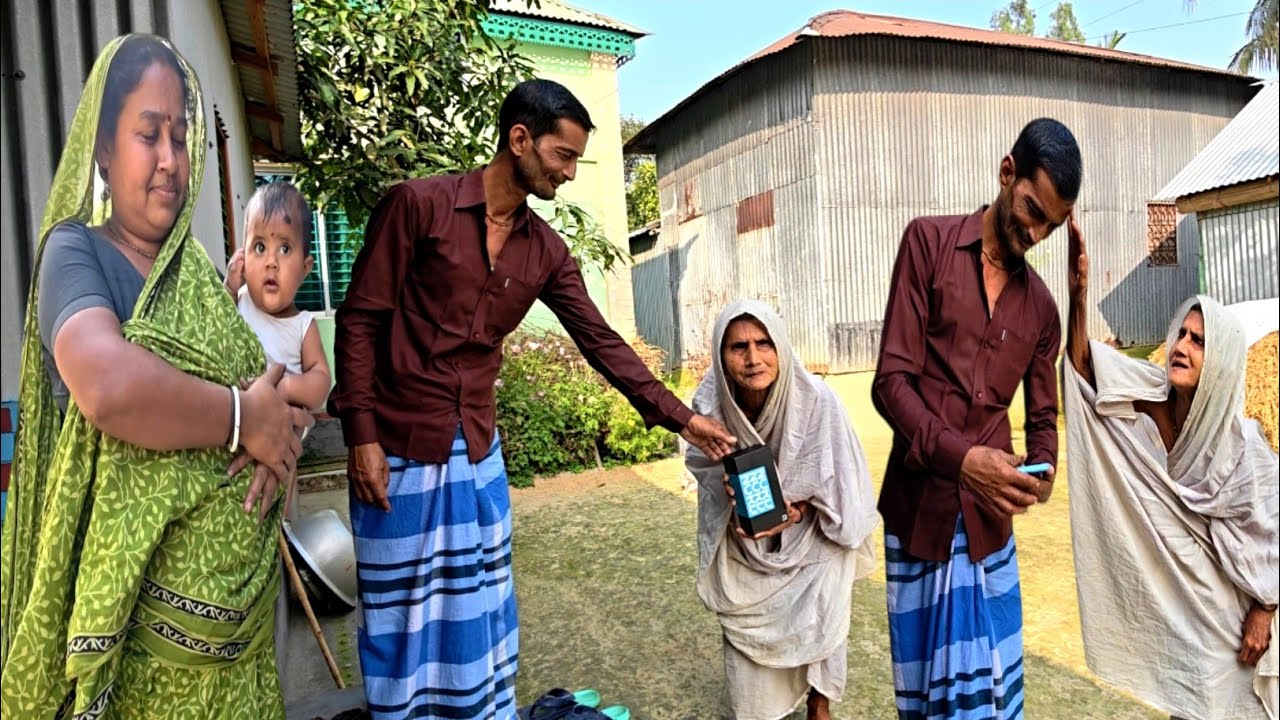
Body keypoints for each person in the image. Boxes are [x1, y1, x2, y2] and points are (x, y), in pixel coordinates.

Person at [327, 78, 737, 720]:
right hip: (400, 448)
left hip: (477, 454)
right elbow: (361, 319)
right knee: (401, 616)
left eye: (575, 160)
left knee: (482, 610)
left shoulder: (544, 250)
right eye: (562, 155)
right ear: (519, 139)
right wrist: (361, 435)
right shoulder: (417, 207)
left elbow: (601, 341)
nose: (569, 173)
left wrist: (683, 419)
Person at [0, 34, 310, 719]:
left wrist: (279, 436)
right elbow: (108, 384)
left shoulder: (194, 273)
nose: (170, 159)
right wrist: (242, 419)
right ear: (104, 150)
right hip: (142, 663)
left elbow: (264, 385)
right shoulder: (75, 252)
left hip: (243, 654)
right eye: (148, 135)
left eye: (180, 136)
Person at [872, 117, 1081, 719]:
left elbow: (1043, 417)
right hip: (919, 515)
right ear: (1007, 172)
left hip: (990, 534)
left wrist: (1041, 473)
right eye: (1033, 211)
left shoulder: (1041, 308)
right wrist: (964, 462)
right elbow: (891, 383)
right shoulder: (927, 245)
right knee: (925, 702)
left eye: (1052, 225)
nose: (1036, 234)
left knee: (995, 699)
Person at [1063, 219, 1278, 720]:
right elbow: (1084, 370)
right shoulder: (1150, 395)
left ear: (1220, 363)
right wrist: (1078, 295)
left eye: (1198, 341)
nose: (1180, 346)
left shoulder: (1246, 450)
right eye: (1181, 333)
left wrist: (1266, 610)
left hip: (1231, 624)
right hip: (1182, 619)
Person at [685, 301, 879, 720]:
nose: (753, 358)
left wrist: (797, 507)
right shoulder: (710, 401)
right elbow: (700, 461)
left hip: (813, 536)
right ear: (720, 354)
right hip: (744, 540)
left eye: (764, 344)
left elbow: (840, 477)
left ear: (781, 347)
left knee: (821, 613)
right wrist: (726, 484)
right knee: (747, 661)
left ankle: (819, 704)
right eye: (738, 347)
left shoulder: (818, 400)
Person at [225, 181, 332, 413]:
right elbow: (212, 330)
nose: (271, 262)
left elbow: (322, 381)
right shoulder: (237, 301)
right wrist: (228, 291)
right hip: (232, 420)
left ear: (305, 268)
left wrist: (285, 387)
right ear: (243, 257)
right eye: (260, 247)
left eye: (284, 249)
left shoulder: (303, 326)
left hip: (280, 427)